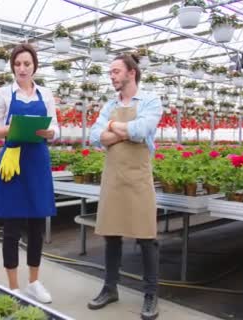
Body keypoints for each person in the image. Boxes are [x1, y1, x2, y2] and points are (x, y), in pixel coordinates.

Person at [87, 53, 163, 320]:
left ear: (131, 73)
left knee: (146, 237)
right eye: (110, 72)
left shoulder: (150, 100)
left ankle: (151, 295)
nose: (112, 76)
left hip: (139, 177)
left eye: (116, 71)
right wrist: (118, 130)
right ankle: (110, 289)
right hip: (113, 177)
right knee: (111, 233)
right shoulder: (109, 105)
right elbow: (95, 136)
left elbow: (142, 130)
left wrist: (113, 130)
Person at [0, 43, 60, 304]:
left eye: (27, 64)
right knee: (12, 226)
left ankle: (34, 282)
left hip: (38, 162)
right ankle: (13, 286)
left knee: (36, 225)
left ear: (34, 66)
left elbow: (55, 127)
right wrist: (15, 127)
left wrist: (51, 133)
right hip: (13, 162)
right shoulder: (2, 94)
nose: (22, 68)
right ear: (12, 67)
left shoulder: (46, 94)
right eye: (18, 64)